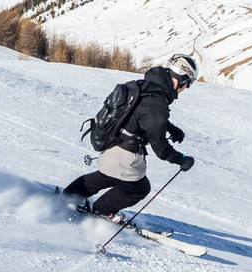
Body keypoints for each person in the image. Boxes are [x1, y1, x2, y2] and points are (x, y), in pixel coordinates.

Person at [64, 53, 198, 219]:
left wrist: (170, 127)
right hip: (125, 156)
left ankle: (68, 195)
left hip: (110, 145)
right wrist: (182, 160)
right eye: (187, 84)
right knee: (137, 189)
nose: (185, 89)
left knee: (107, 176)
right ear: (180, 79)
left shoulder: (144, 86)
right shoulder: (157, 104)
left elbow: (141, 113)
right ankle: (102, 211)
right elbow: (162, 150)